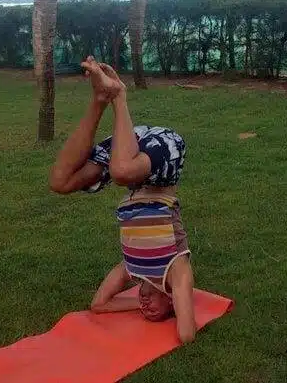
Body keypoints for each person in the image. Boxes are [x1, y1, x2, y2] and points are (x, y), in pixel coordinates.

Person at [48, 57, 196, 344]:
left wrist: (136, 308)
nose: (146, 306)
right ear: (173, 302)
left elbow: (99, 305)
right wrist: (179, 307)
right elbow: (187, 335)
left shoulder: (131, 270)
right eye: (157, 309)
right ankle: (120, 95)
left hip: (131, 151)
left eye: (146, 309)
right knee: (121, 172)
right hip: (164, 151)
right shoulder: (177, 271)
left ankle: (101, 99)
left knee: (60, 182)